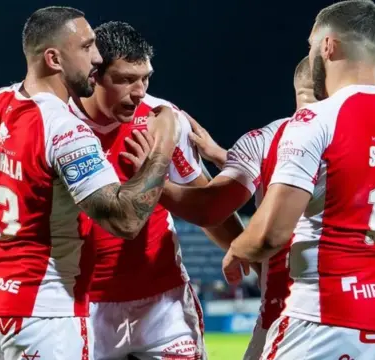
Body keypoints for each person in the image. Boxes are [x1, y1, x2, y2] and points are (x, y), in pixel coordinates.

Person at [222, 1, 375, 359]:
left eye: (311, 46)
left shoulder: (316, 120)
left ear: (327, 46)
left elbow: (270, 235)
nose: (311, 54)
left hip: (328, 315)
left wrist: (237, 248)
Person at [0, 7, 181, 360]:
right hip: (47, 313)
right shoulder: (64, 128)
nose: (97, 58)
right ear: (54, 58)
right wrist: (163, 148)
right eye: (87, 47)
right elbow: (125, 220)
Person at [67, 21, 244, 360]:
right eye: (124, 79)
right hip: (85, 306)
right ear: (94, 75)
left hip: (162, 302)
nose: (139, 91)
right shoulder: (59, 124)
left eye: (145, 78)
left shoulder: (161, 118)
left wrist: (242, 247)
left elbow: (206, 206)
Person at [134, 56, 315, 360]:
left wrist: (150, 178)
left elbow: (211, 210)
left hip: (294, 311)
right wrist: (224, 157)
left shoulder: (271, 139)